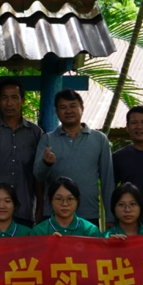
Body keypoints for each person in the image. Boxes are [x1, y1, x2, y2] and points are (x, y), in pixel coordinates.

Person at [34, 89, 114, 228]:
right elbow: (38, 175)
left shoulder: (99, 139)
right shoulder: (47, 139)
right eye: (63, 107)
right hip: (54, 215)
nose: (68, 111)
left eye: (73, 106)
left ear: (82, 108)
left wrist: (110, 217)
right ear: (56, 112)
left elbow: (107, 180)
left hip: (88, 214)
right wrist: (46, 163)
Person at [0, 80, 44, 225]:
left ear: (23, 101)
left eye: (14, 97)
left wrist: (41, 207)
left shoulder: (35, 133)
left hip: (23, 209)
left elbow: (39, 174)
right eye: (5, 98)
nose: (9, 103)